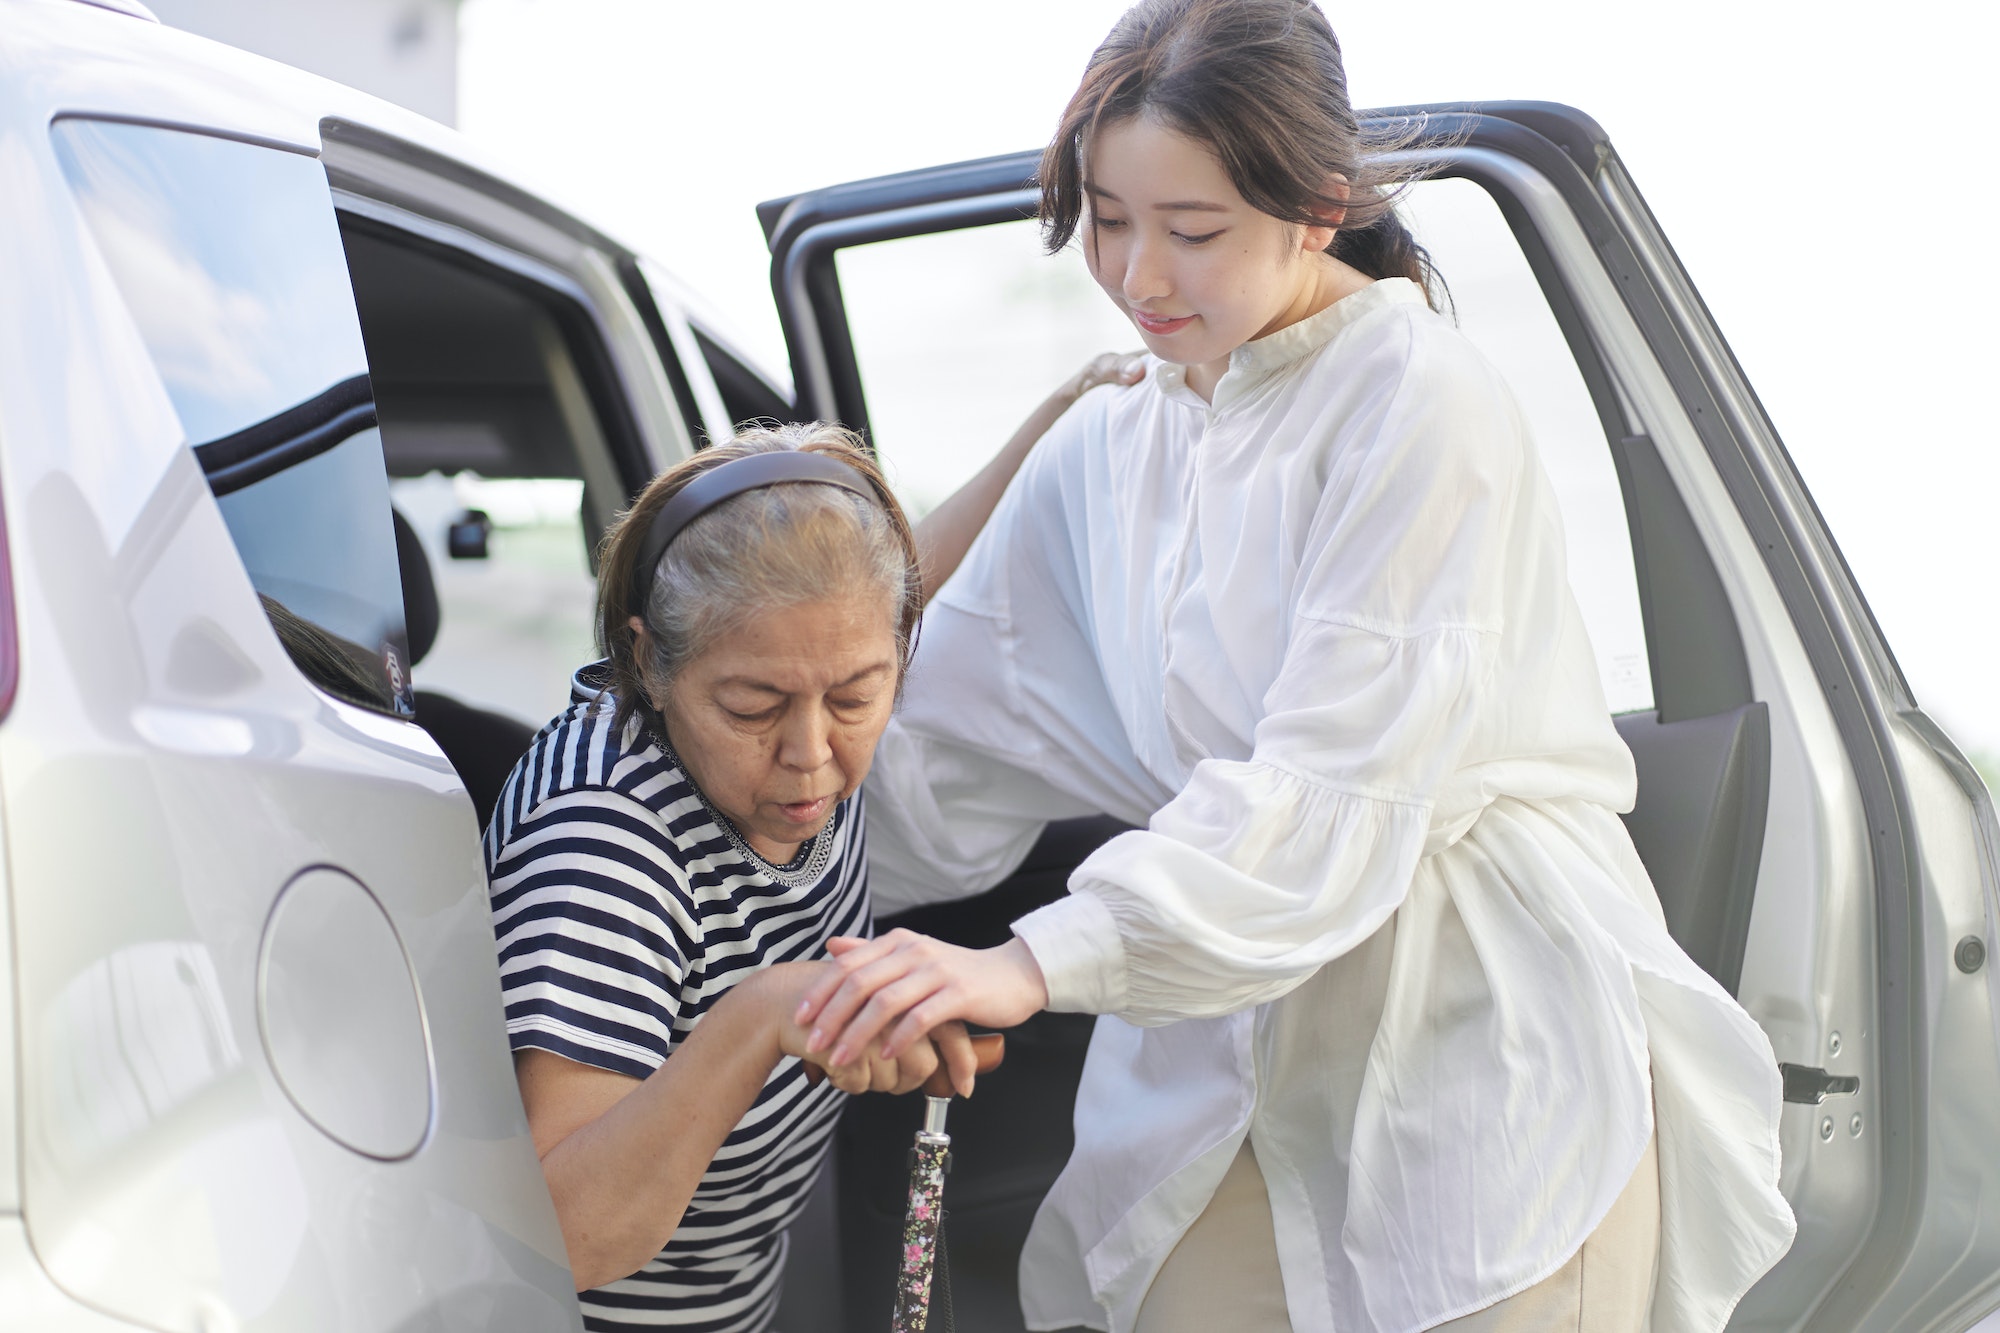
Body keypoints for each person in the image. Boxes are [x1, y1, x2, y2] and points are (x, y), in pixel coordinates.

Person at [794, 2, 1798, 1331]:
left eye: (1192, 230)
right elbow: (940, 745)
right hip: (1219, 1062)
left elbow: (1332, 792)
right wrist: (729, 857)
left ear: (1318, 208)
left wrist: (1034, 962)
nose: (1140, 274)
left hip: (1476, 1057)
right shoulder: (1110, 447)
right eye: (1105, 217)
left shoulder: (1419, 403)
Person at [484, 391, 1140, 1331]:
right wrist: (768, 1012)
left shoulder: (816, 679)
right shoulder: (606, 844)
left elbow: (909, 577)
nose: (811, 754)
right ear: (651, 662)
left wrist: (1060, 417)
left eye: (858, 696)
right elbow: (566, 1236)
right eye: (752, 705)